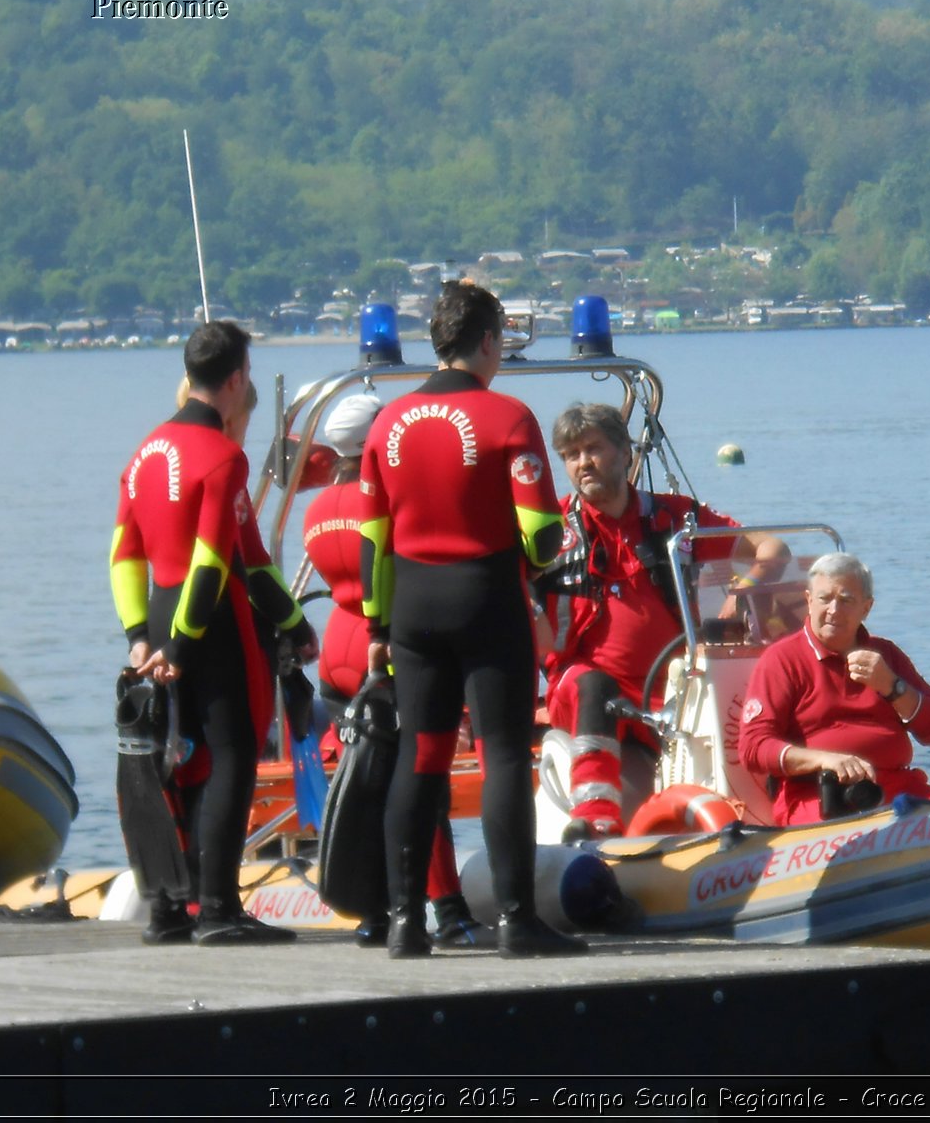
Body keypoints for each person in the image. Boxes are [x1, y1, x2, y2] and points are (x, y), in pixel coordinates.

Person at [360, 281, 584, 959]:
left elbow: (373, 542)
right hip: (485, 597)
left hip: (411, 609)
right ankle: (518, 922)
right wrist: (538, 560)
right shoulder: (508, 417)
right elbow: (544, 534)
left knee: (421, 757)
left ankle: (406, 924)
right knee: (503, 757)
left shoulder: (385, 423)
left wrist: (377, 629)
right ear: (488, 342)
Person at [110, 320, 319, 944]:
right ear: (236, 380)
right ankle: (220, 909)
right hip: (210, 619)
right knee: (231, 757)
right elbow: (213, 560)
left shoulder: (144, 452)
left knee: (179, 762)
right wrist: (182, 642)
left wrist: (140, 636)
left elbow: (124, 554)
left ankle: (173, 910)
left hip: (162, 608)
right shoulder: (224, 457)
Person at [533, 402, 787, 840]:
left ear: (625, 454)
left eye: (593, 448)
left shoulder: (676, 520)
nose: (582, 463)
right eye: (571, 455)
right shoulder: (548, 532)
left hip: (675, 689)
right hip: (583, 692)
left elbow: (773, 550)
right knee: (592, 685)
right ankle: (595, 821)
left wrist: (742, 592)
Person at [302, 392, 484, 948]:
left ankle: (372, 912)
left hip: (338, 644)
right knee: (418, 783)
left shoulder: (316, 509)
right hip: (387, 643)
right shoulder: (381, 496)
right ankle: (449, 910)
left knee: (362, 787)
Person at [737, 552, 930, 826]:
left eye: (846, 600)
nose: (834, 610)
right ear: (808, 600)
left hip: (897, 789)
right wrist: (824, 760)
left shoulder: (886, 655)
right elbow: (753, 748)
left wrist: (892, 687)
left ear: (866, 607)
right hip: (818, 797)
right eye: (825, 598)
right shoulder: (781, 660)